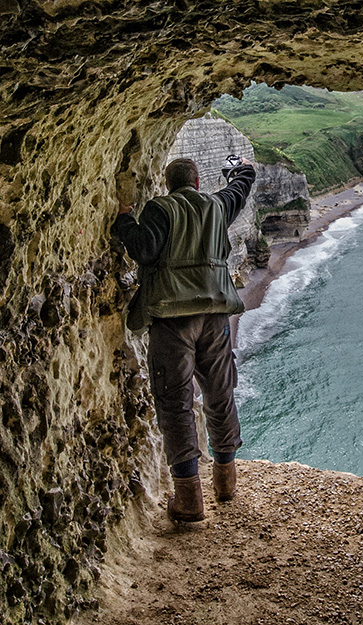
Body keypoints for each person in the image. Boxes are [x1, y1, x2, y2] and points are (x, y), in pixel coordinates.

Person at [112, 156, 256, 522]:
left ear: (167, 184)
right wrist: (239, 170)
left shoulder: (161, 209)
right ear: (195, 182)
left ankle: (189, 496)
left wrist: (125, 216)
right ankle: (225, 480)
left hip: (173, 320)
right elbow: (240, 188)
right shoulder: (217, 205)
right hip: (216, 317)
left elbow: (143, 248)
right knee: (220, 394)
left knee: (176, 402)